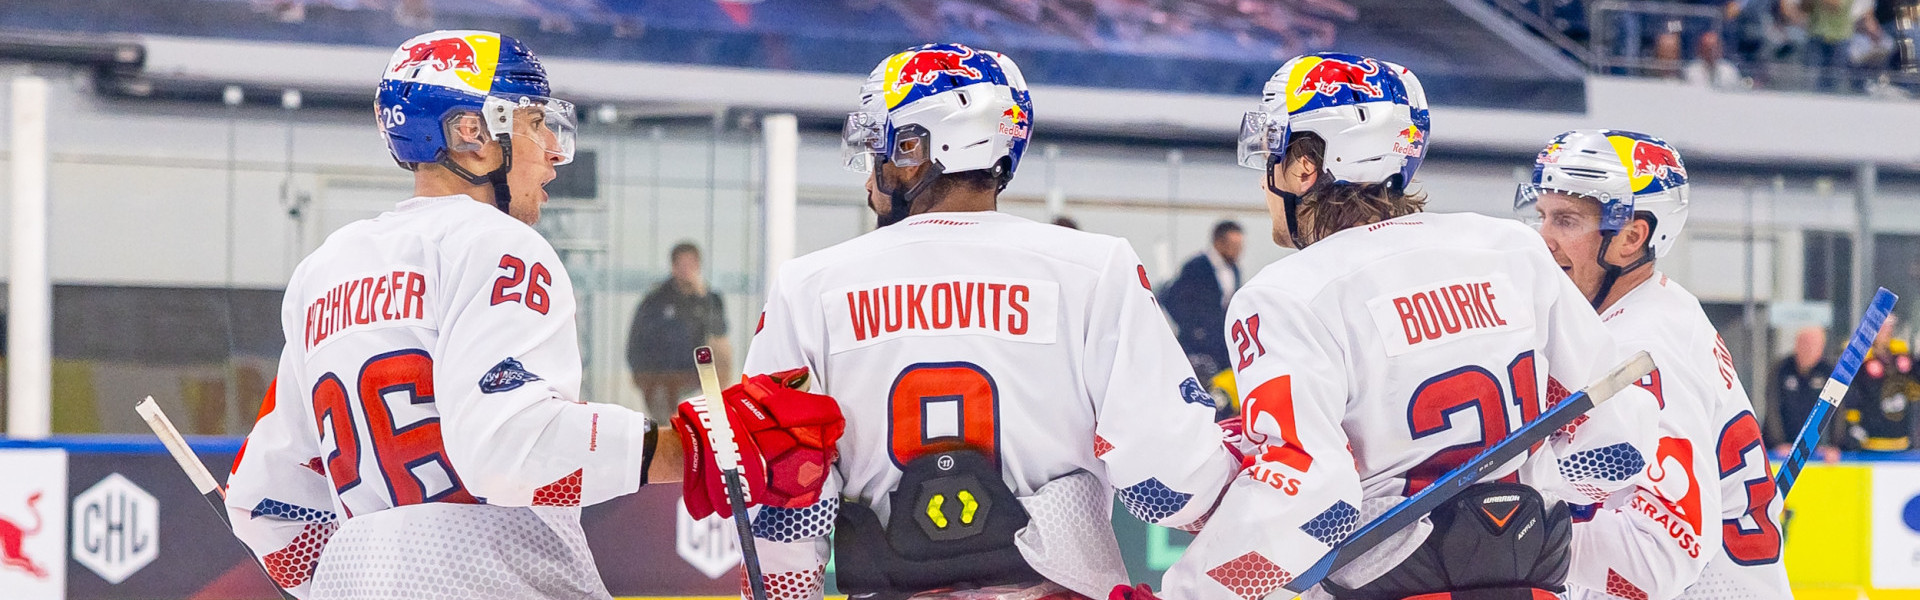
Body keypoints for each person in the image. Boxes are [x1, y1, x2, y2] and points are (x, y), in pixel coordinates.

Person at [676, 43, 1240, 600]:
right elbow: (1169, 484)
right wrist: (1255, 464)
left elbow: (785, 495)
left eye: (880, 149)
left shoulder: (808, 286)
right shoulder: (1095, 268)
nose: (870, 177)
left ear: (917, 148)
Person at [1159, 53, 1660, 600]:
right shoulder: (1511, 248)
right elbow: (1617, 447)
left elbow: (1306, 496)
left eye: (1272, 157)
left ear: (1304, 168)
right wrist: (1515, 492)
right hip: (1532, 576)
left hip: (1390, 582)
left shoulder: (1286, 294)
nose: (1264, 180)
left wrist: (1190, 592)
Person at [223, 30, 679, 600]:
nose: (554, 151)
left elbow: (264, 499)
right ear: (473, 134)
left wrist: (354, 576)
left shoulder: (325, 269)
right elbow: (508, 447)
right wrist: (682, 451)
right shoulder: (497, 244)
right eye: (535, 122)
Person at [1517, 130, 1790, 600]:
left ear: (1631, 237)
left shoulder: (1639, 347)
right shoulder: (1662, 309)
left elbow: (1660, 556)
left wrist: (1515, 540)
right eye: (1542, 216)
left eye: (1566, 220)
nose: (1544, 239)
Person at [625, 241, 730, 419]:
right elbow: (637, 341)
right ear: (673, 267)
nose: (686, 270)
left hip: (700, 376)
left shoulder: (710, 299)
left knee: (720, 348)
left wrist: (702, 299)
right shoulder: (656, 300)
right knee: (665, 417)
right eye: (682, 265)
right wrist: (643, 376)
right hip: (661, 378)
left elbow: (719, 332)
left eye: (691, 265)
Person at [1160, 220, 1245, 378]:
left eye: (1240, 246)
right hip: (1197, 345)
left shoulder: (1234, 269)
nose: (1239, 251)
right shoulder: (1196, 267)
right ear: (1219, 243)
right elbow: (1171, 299)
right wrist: (1195, 330)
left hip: (1220, 343)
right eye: (1234, 245)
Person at [1842, 315, 1920, 451]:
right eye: (1881, 327)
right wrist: (1853, 426)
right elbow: (1851, 396)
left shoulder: (1901, 354)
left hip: (1902, 439)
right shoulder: (1860, 358)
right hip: (1870, 441)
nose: (1886, 331)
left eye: (1889, 326)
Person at [1765, 325, 1842, 462]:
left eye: (1814, 345)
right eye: (1805, 343)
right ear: (1796, 344)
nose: (1809, 349)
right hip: (1781, 450)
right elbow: (1772, 408)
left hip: (1819, 450)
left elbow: (1838, 410)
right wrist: (1779, 442)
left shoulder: (1830, 372)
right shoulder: (1780, 369)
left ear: (1821, 348)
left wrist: (1834, 445)